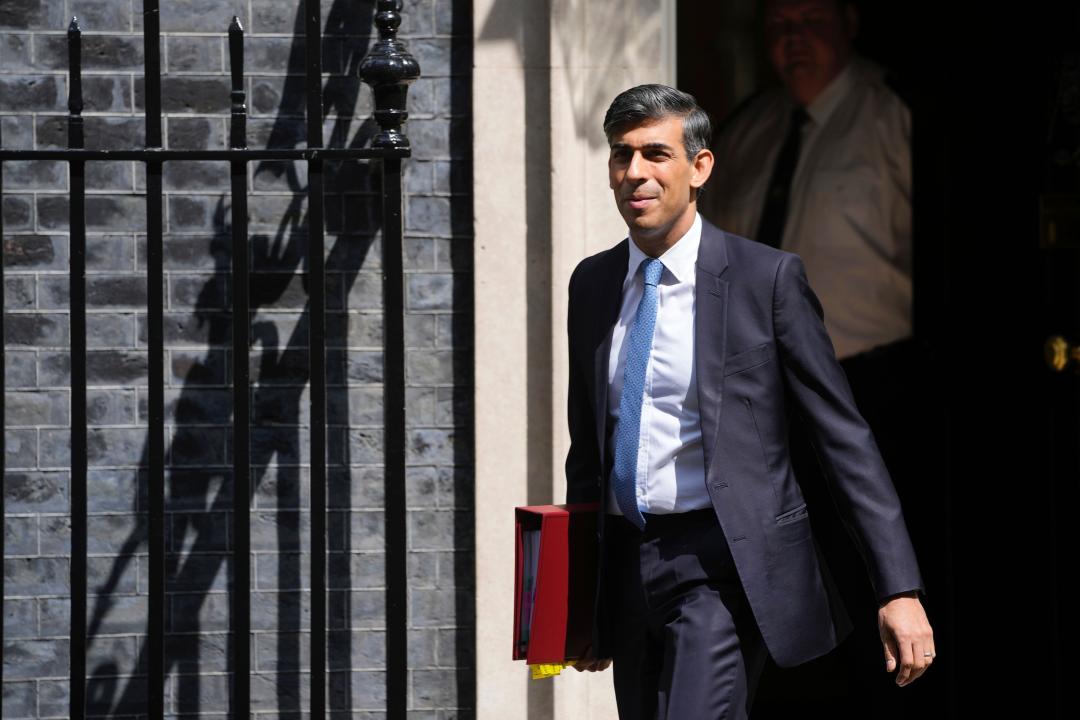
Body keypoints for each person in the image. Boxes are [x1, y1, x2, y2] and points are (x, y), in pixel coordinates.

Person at [564, 84, 934, 719]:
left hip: (721, 567)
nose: (636, 174)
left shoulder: (766, 280)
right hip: (628, 567)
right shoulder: (593, 282)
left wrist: (898, 588)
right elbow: (588, 451)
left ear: (700, 167)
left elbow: (842, 441)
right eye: (622, 156)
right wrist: (580, 600)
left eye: (657, 154)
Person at [699, 2, 929, 712]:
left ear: (850, 23)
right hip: (755, 399)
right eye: (777, 25)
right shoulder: (748, 128)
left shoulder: (895, 116)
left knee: (871, 571)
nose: (791, 40)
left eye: (810, 20)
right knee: (773, 574)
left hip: (873, 384)